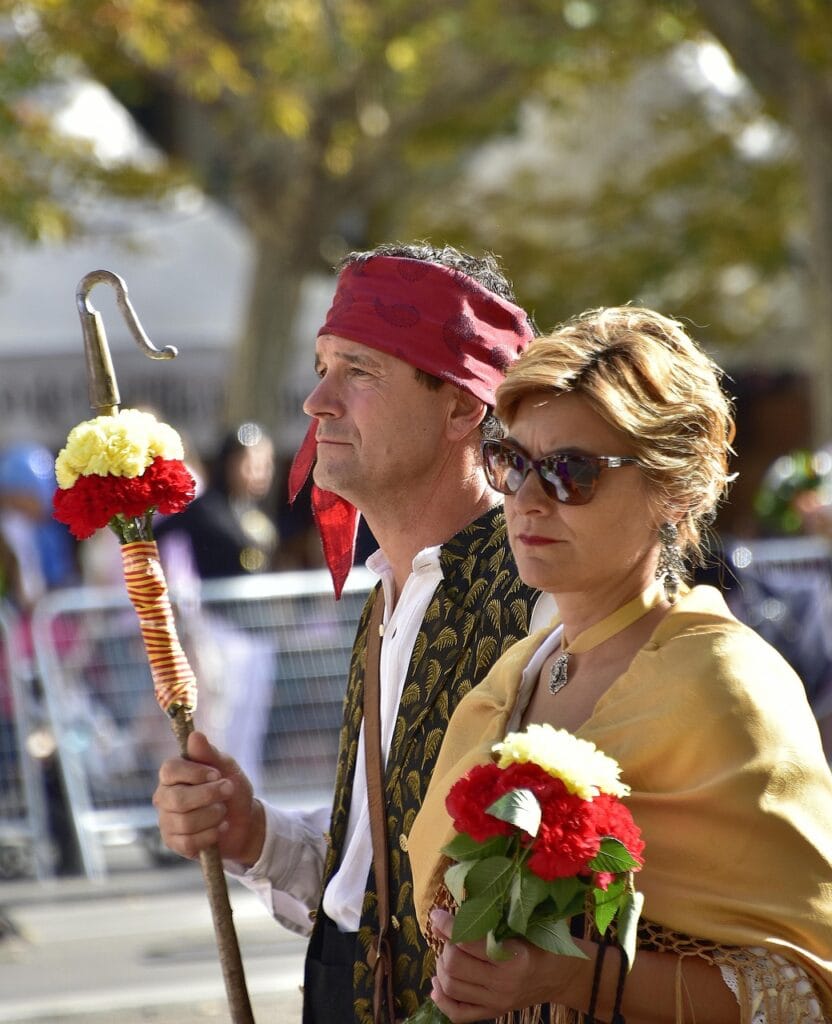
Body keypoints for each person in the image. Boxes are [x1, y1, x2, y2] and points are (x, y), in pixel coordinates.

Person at [152, 242, 555, 1023]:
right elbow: (365, 886)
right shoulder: (385, 601)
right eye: (321, 367)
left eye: (360, 371)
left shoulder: (541, 599)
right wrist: (252, 832)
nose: (316, 402)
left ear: (462, 407)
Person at [407, 306, 832, 1024]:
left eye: (571, 471)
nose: (527, 499)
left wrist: (570, 979)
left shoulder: (729, 685)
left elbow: (803, 992)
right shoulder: (514, 674)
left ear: (677, 491)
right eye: (511, 462)